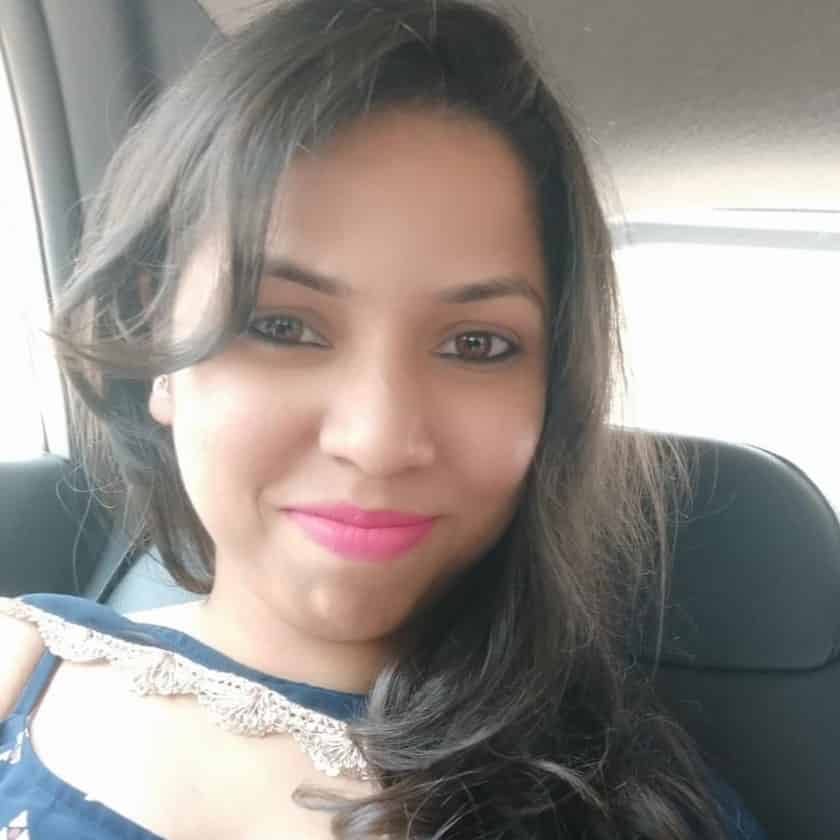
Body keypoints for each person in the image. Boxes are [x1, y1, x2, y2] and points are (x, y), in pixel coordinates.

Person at [0, 0, 767, 837]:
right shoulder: (21, 661)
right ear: (159, 345)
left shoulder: (627, 810)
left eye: (476, 344)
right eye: (281, 325)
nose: (377, 442)